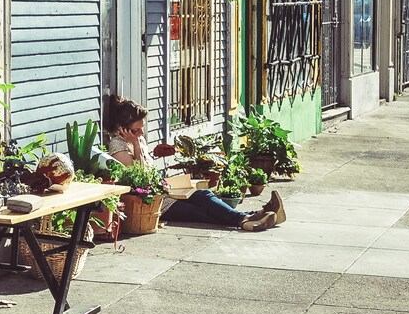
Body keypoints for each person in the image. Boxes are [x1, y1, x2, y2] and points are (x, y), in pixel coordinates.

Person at [105, 96, 284, 232]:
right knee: (202, 211)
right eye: (137, 129)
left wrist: (145, 148)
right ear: (123, 128)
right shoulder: (118, 146)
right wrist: (136, 145)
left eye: (142, 128)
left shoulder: (137, 139)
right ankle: (248, 219)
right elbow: (139, 175)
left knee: (204, 196)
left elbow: (146, 165)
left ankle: (252, 217)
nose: (141, 132)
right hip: (152, 203)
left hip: (165, 193)